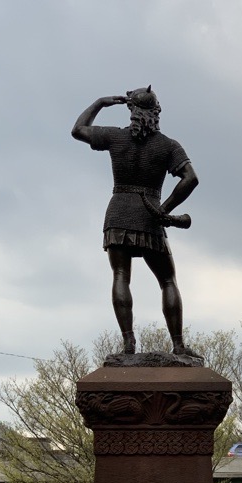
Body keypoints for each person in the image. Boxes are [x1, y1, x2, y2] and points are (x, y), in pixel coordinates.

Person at [72, 87, 199, 356]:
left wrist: (100, 103)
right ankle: (178, 345)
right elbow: (191, 178)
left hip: (118, 212)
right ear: (156, 111)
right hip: (149, 214)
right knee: (167, 281)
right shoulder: (168, 145)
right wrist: (164, 209)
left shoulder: (116, 137)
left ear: (131, 110)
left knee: (120, 276)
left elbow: (78, 129)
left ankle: (128, 343)